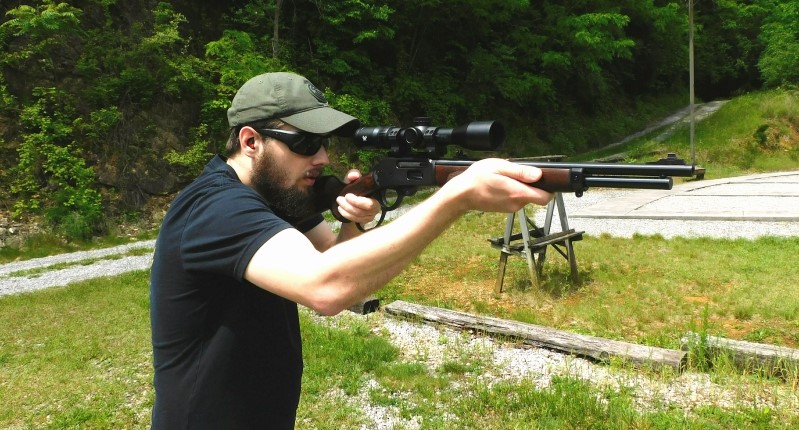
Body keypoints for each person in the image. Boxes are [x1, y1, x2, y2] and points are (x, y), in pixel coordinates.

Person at [149, 71, 552, 429]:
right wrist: (455, 198)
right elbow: (326, 288)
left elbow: (334, 265)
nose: (323, 157)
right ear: (251, 140)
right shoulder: (217, 206)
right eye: (306, 142)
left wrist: (354, 222)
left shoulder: (277, 197)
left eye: (323, 142)